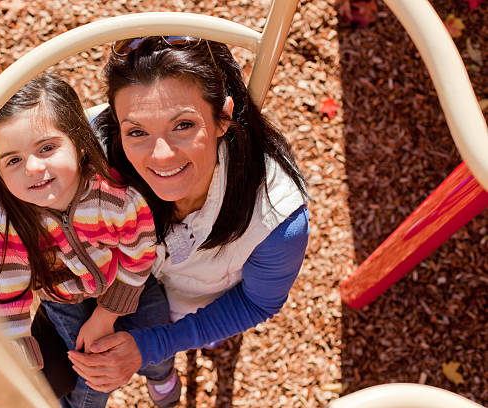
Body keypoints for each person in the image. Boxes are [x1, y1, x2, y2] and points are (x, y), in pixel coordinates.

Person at [62, 36, 311, 398]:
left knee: (205, 331)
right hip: (120, 291)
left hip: (196, 302)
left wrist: (154, 344)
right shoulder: (92, 152)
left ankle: (186, 352)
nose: (161, 155)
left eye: (182, 125)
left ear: (223, 116)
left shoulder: (275, 216)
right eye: (137, 131)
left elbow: (257, 301)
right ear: (117, 125)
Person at [0, 74, 176, 407]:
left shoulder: (112, 197)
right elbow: (3, 292)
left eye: (46, 147)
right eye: (13, 159)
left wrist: (106, 314)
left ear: (78, 141)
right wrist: (19, 353)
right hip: (64, 299)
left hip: (128, 281)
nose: (33, 167)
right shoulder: (11, 222)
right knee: (90, 364)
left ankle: (161, 376)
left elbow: (139, 253)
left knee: (155, 337)